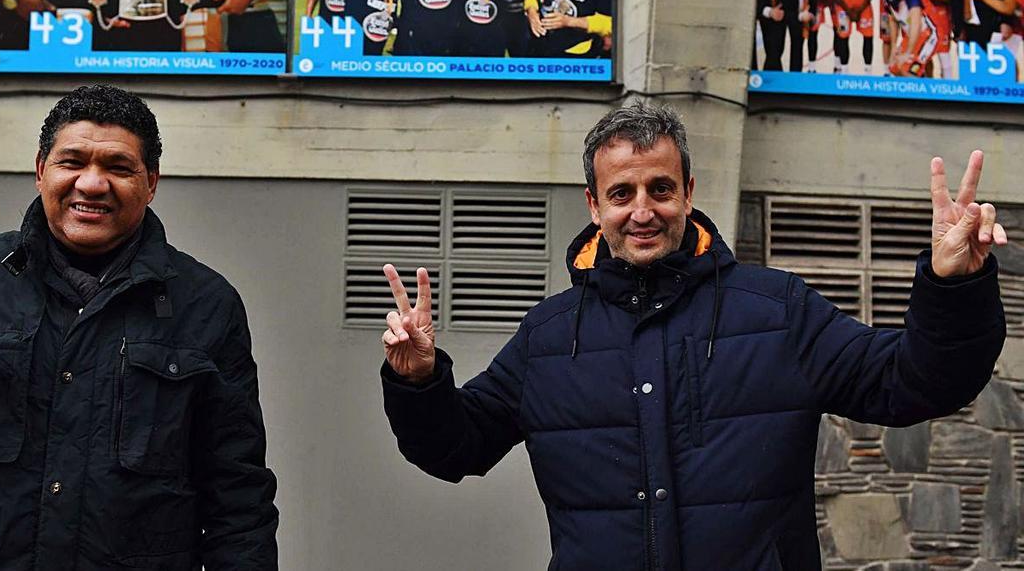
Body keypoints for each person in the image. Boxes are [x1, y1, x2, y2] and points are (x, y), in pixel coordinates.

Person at [377, 101, 1007, 570]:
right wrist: (417, 381)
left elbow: (914, 384)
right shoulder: (548, 336)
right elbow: (454, 448)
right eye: (621, 192)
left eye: (661, 188)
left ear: (689, 195)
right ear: (594, 206)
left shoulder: (776, 310)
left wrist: (954, 285)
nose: (643, 210)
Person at [0, 85, 279, 569]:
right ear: (41, 170)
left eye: (118, 168)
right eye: (73, 162)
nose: (91, 183)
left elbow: (238, 501)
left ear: (151, 182)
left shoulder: (205, 304)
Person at [876, 0, 942, 77]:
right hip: (913, 34)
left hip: (929, 33)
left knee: (907, 70)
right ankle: (924, 84)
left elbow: (917, 23)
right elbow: (893, 20)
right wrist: (894, 46)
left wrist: (908, 53)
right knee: (894, 68)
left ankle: (924, 91)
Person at [779, 0, 821, 72]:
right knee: (796, 44)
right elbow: (785, 11)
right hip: (793, 17)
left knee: (813, 38)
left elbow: (815, 3)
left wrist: (811, 15)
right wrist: (799, 17)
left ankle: (812, 69)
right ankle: (795, 74)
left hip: (809, 16)